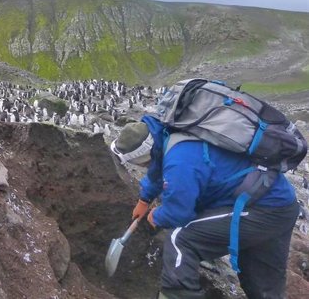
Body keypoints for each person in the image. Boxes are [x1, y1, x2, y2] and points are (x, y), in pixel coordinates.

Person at [111, 117, 299, 299]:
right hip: (279, 203)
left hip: (262, 209)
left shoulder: (180, 160)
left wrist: (156, 217)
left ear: (145, 152)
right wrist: (144, 199)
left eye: (140, 162)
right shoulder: (170, 136)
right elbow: (158, 167)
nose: (143, 166)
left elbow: (178, 212)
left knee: (180, 239)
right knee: (261, 285)